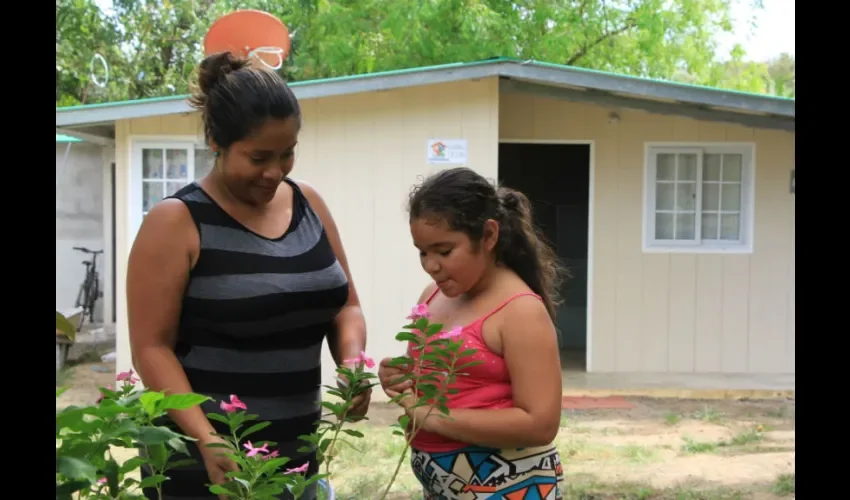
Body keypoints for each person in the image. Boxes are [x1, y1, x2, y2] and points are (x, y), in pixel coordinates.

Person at [126, 51, 370, 500]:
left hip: (296, 456)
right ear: (216, 141)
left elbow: (345, 305)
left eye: (288, 153)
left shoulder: (308, 204)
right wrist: (207, 438)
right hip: (207, 460)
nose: (275, 172)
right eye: (258, 157)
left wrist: (352, 362)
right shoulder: (176, 221)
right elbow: (151, 348)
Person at [379, 167, 567, 500]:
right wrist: (399, 378)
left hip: (509, 485)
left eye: (444, 251)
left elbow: (540, 423)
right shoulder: (432, 297)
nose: (431, 265)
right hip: (440, 481)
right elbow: (430, 386)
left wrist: (434, 419)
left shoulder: (519, 311)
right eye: (423, 252)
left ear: (489, 236)